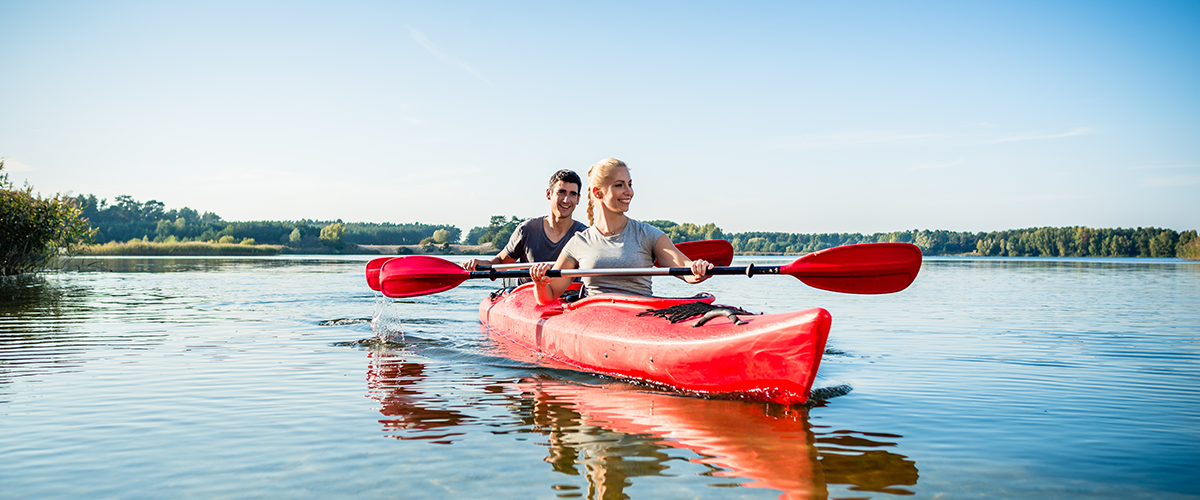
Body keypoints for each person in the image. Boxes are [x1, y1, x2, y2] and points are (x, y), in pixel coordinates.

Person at [530, 158, 711, 305]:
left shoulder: (648, 235)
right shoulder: (580, 242)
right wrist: (540, 283)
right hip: (595, 322)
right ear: (598, 193)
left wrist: (697, 269)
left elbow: (685, 269)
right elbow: (549, 296)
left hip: (641, 317)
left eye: (629, 184)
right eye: (619, 185)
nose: (629, 192)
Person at [462, 169, 589, 273]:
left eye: (572, 194)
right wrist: (482, 263)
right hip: (528, 300)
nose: (566, 200)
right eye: (561, 192)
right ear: (549, 194)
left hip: (570, 300)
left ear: (578, 199)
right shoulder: (527, 230)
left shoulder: (585, 236)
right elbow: (501, 262)